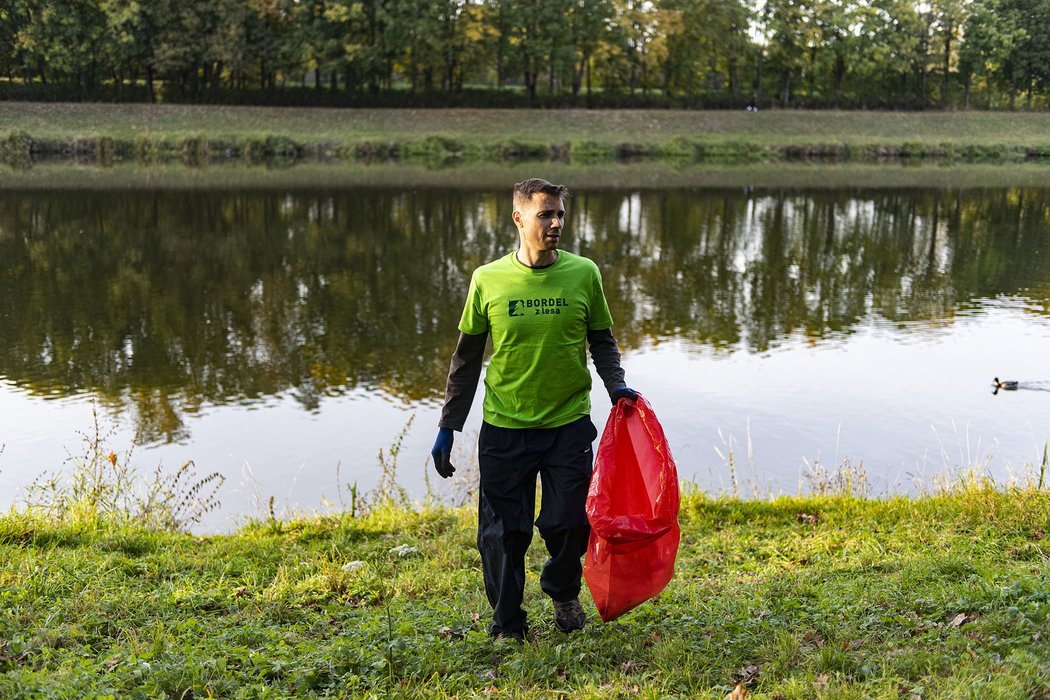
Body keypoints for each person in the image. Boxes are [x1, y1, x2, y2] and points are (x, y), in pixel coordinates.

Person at [431, 177, 637, 642]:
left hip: (567, 424)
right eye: (546, 214)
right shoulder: (488, 279)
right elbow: (466, 359)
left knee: (571, 523)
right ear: (518, 218)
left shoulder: (585, 273)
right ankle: (507, 624)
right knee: (503, 535)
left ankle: (563, 589)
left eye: (561, 213)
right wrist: (449, 426)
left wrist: (617, 386)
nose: (556, 223)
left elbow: (602, 340)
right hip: (505, 426)